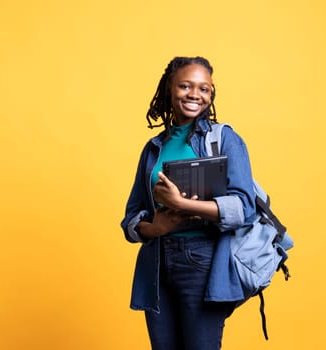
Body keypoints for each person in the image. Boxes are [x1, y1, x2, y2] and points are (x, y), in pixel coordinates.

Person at [120, 56, 257, 350]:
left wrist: (181, 205)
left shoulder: (224, 139)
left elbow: (244, 208)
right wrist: (155, 228)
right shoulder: (154, 147)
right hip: (156, 263)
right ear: (170, 88)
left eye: (204, 88)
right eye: (185, 85)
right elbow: (130, 219)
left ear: (211, 94)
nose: (195, 94)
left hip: (204, 260)